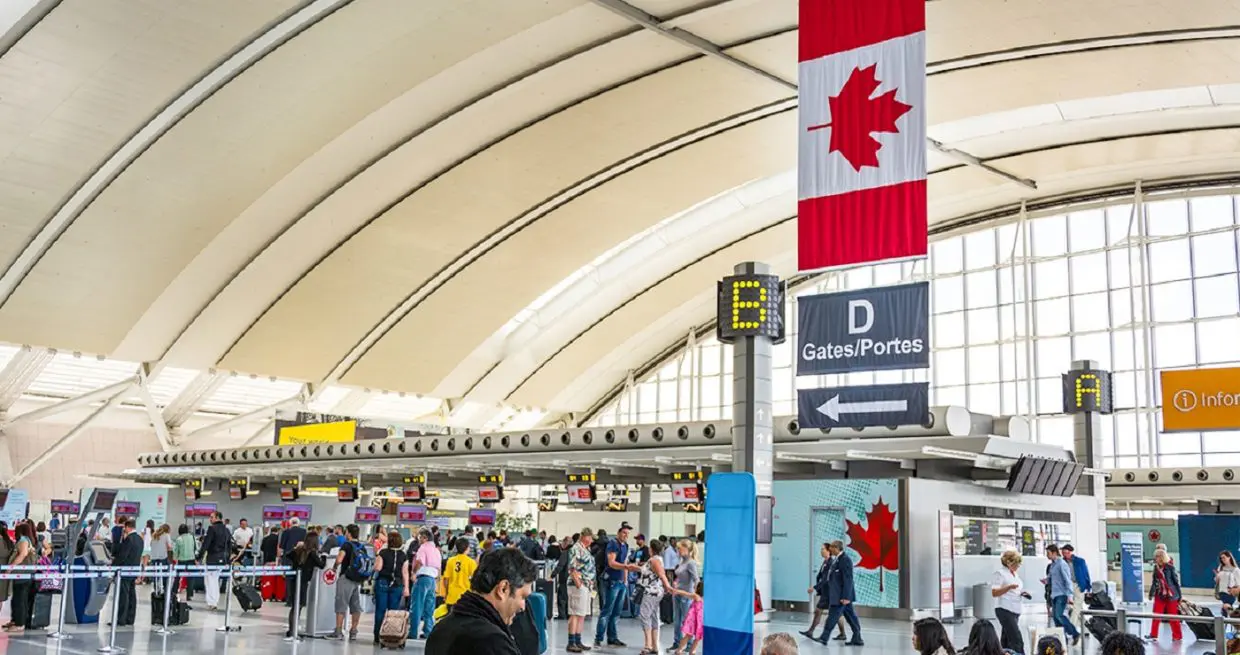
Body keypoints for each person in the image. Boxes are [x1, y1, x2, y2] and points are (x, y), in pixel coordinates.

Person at [425, 547, 538, 655]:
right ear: (503, 589)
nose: (523, 607)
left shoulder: (440, 630)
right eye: (523, 597)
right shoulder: (493, 643)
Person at [637, 540, 694, 654]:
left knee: (645, 616)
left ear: (651, 549)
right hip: (656, 592)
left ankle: (648, 645)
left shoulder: (654, 560)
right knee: (653, 617)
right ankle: (654, 645)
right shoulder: (659, 559)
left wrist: (668, 586)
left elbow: (662, 574)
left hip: (651, 592)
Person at [594, 522, 641, 649]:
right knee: (607, 611)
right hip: (611, 581)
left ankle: (612, 638)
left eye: (627, 533)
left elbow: (625, 561)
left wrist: (625, 580)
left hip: (620, 583)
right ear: (619, 533)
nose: (626, 535)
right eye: (624, 532)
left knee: (616, 612)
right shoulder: (613, 544)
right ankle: (598, 638)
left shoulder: (625, 545)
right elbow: (611, 563)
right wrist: (626, 567)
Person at [817, 540, 864, 646]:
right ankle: (857, 638)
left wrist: (846, 597)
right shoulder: (837, 560)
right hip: (838, 595)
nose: (830, 549)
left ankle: (824, 637)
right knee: (851, 617)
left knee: (832, 616)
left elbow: (848, 579)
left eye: (832, 547)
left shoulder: (845, 560)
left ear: (837, 548)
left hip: (842, 597)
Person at [803, 542, 846, 642]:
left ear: (828, 551)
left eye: (823, 549)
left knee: (820, 611)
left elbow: (826, 579)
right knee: (835, 613)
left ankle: (812, 631)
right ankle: (842, 633)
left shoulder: (830, 562)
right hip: (826, 592)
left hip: (829, 593)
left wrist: (814, 587)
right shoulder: (825, 562)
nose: (821, 551)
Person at [287, 530, 325, 638]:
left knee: (295, 606)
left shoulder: (299, 550)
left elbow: (288, 555)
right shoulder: (312, 553)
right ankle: (293, 632)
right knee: (299, 606)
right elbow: (321, 565)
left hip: (294, 581)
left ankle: (292, 630)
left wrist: (296, 547)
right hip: (303, 583)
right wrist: (324, 556)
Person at [372, 531, 408, 645]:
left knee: (380, 611)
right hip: (397, 585)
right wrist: (406, 587)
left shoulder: (383, 552)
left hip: (383, 582)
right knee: (393, 613)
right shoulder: (403, 555)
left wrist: (375, 564)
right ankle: (390, 635)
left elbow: (378, 567)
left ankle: (377, 636)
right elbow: (405, 573)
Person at [991, 550, 1030, 654]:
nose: (1018, 566)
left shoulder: (1015, 574)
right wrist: (1008, 587)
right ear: (1009, 562)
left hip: (1015, 609)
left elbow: (1016, 589)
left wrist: (1022, 593)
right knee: (1016, 638)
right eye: (1016, 564)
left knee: (1006, 639)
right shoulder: (1000, 574)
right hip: (1004, 608)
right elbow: (994, 593)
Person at [331, 524, 365, 640]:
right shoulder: (361, 546)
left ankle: (338, 631)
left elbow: (339, 559)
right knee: (356, 606)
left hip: (346, 577)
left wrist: (334, 567)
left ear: (348, 533)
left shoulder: (347, 545)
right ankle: (354, 630)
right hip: (357, 579)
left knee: (341, 604)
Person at [408, 527, 443, 639]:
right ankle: (428, 631)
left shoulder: (423, 548)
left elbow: (419, 561)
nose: (418, 539)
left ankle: (413, 632)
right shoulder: (437, 550)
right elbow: (439, 568)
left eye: (420, 537)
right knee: (429, 607)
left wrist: (413, 572)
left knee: (417, 605)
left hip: (422, 578)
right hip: (432, 580)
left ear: (425, 538)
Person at [1042, 545, 1080, 646]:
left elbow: (1068, 581)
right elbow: (1050, 578)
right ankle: (1063, 639)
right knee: (1055, 618)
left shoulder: (1062, 564)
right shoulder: (1053, 565)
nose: (1047, 555)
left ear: (1054, 553)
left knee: (1059, 615)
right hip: (1054, 594)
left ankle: (1075, 633)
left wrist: (1070, 595)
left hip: (1062, 594)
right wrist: (1046, 580)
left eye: (1048, 553)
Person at [565, 528, 596, 653]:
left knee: (581, 614)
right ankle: (571, 642)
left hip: (586, 585)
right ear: (584, 536)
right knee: (575, 613)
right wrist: (578, 583)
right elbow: (572, 567)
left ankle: (578, 641)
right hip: (578, 585)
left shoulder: (586, 549)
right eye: (590, 537)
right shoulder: (576, 548)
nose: (592, 540)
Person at [4, 522, 37, 633]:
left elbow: (22, 554)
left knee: (20, 599)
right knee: (18, 599)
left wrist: (11, 567)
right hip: (25, 574)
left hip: (22, 575)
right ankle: (16, 621)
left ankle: (19, 624)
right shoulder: (28, 540)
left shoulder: (23, 540)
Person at [671, 539, 703, 650]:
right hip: (677, 593)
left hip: (686, 595)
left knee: (687, 621)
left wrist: (696, 595)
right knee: (677, 620)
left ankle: (688, 645)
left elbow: (696, 579)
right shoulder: (682, 561)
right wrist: (676, 582)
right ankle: (677, 642)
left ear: (686, 549)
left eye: (680, 548)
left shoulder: (691, 563)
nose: (678, 550)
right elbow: (680, 576)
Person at [197, 511, 231, 611]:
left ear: (217, 518)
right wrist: (228, 559)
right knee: (215, 580)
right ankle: (214, 600)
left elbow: (206, 544)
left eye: (212, 517)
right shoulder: (226, 530)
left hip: (213, 558)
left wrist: (199, 556)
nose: (210, 519)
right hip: (223, 558)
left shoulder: (212, 529)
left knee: (209, 580)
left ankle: (212, 602)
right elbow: (229, 545)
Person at [1147, 549, 1182, 642]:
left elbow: (1176, 582)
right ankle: (1153, 635)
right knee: (1156, 615)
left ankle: (1177, 636)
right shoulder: (1156, 568)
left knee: (1173, 617)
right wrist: (1151, 593)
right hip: (1160, 595)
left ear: (1162, 557)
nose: (1156, 558)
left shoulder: (1170, 568)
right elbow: (1154, 582)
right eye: (1155, 556)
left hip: (1171, 595)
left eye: (1157, 556)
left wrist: (1179, 596)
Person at [444, 537, 479, 613]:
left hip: (452, 596)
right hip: (465, 598)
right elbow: (475, 580)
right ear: (467, 548)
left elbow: (446, 579)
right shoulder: (471, 562)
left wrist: (446, 593)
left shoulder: (450, 561)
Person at [672, 580, 704, 655]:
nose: (694, 587)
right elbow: (686, 593)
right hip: (693, 619)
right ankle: (680, 650)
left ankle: (692, 651)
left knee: (697, 636)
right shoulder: (697, 597)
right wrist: (677, 591)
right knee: (689, 635)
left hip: (699, 620)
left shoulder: (704, 598)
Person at [1060, 545, 1090, 624]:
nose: (1063, 554)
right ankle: (1084, 626)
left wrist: (1088, 587)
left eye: (1064, 553)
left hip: (1079, 585)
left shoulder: (1080, 561)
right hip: (1068, 586)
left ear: (1069, 552)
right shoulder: (1062, 562)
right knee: (1073, 607)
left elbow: (1086, 574)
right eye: (1062, 553)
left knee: (1077, 605)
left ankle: (1072, 625)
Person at [172, 524, 197, 600]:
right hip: (191, 559)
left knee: (177, 576)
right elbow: (195, 548)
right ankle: (189, 595)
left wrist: (175, 560)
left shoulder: (179, 539)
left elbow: (176, 551)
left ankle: (174, 592)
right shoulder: (192, 537)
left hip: (181, 560)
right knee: (191, 577)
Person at [148, 524, 173, 595]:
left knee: (156, 574)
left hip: (154, 557)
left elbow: (151, 545)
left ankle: (156, 589)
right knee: (165, 573)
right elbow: (169, 546)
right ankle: (165, 589)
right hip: (163, 557)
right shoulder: (166, 535)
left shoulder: (154, 535)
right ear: (167, 529)